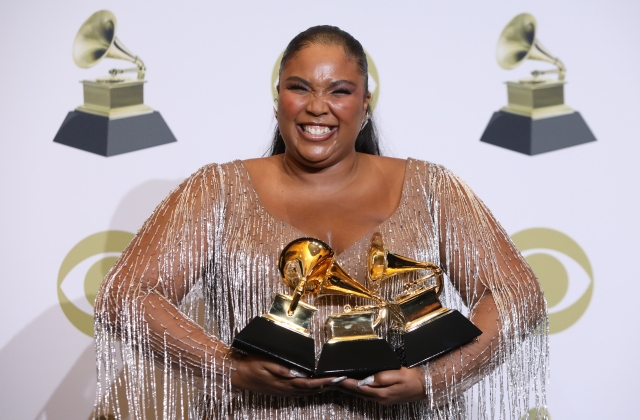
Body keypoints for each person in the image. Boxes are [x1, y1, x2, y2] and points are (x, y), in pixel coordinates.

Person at [94, 25, 548, 420]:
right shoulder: (218, 189)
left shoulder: (431, 187)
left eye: (339, 91)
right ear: (278, 100)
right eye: (300, 88)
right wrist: (230, 368)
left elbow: (517, 294)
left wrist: (433, 379)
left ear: (365, 104)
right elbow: (125, 295)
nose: (317, 106)